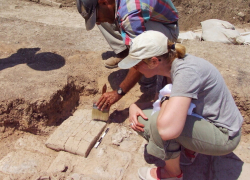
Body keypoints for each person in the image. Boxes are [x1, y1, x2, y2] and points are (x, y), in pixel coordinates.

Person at [118, 31, 243, 180]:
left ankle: (172, 174)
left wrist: (165, 100)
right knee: (147, 114)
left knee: (156, 123)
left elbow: (166, 129)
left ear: (153, 61)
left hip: (225, 135)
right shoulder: (166, 68)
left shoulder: (186, 73)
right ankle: (190, 150)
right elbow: (160, 101)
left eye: (137, 64)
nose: (135, 69)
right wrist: (135, 105)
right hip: (207, 121)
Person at [76, 0, 179, 111]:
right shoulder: (116, 7)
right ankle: (126, 51)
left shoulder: (130, 15)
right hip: (137, 17)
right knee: (107, 19)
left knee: (141, 52)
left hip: (168, 28)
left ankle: (152, 77)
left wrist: (119, 92)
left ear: (103, 2)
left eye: (96, 17)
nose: (98, 22)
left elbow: (142, 54)